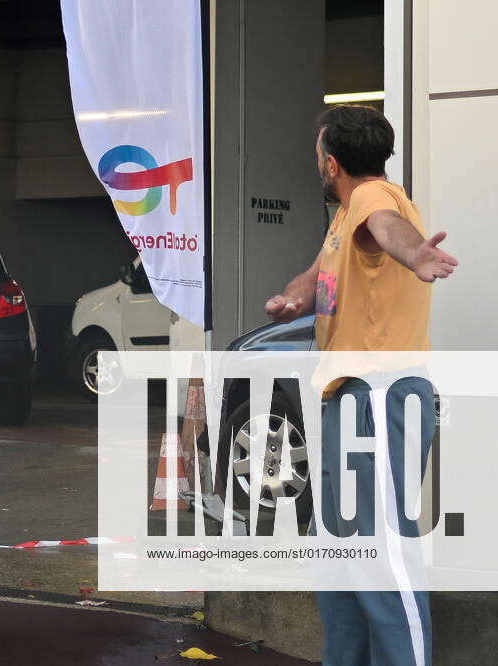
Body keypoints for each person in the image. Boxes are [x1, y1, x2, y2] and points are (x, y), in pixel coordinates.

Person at [264, 105, 457, 665]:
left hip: (377, 395)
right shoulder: (345, 216)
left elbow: (389, 233)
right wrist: (296, 296)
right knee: (344, 558)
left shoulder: (373, 201)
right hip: (350, 398)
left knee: (383, 556)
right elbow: (322, 269)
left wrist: (414, 252)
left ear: (330, 163)